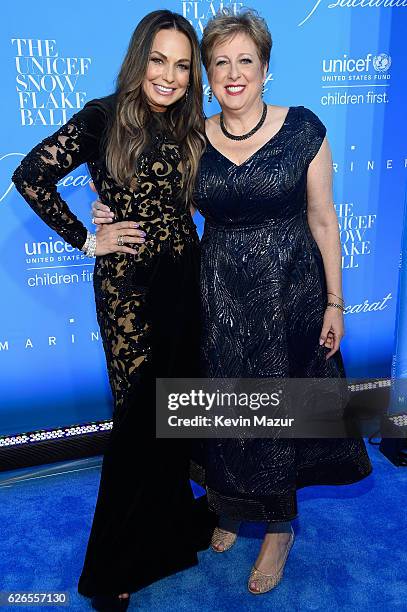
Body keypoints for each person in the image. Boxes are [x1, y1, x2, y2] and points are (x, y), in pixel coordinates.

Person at [92, 8, 373, 597]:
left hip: (289, 295)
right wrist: (105, 216)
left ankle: (278, 527)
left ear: (266, 69)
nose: (233, 72)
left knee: (284, 408)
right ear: (208, 78)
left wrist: (336, 302)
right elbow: (154, 197)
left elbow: (324, 220)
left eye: (246, 60)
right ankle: (229, 504)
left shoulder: (304, 129)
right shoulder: (191, 137)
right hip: (217, 295)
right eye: (220, 62)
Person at [12, 10, 216, 611]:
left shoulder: (190, 125)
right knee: (135, 426)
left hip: (186, 281)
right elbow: (31, 174)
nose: (169, 76)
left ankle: (172, 533)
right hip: (128, 288)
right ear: (138, 59)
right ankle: (110, 566)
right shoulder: (102, 117)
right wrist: (86, 235)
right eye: (159, 60)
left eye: (182, 66)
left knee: (175, 416)